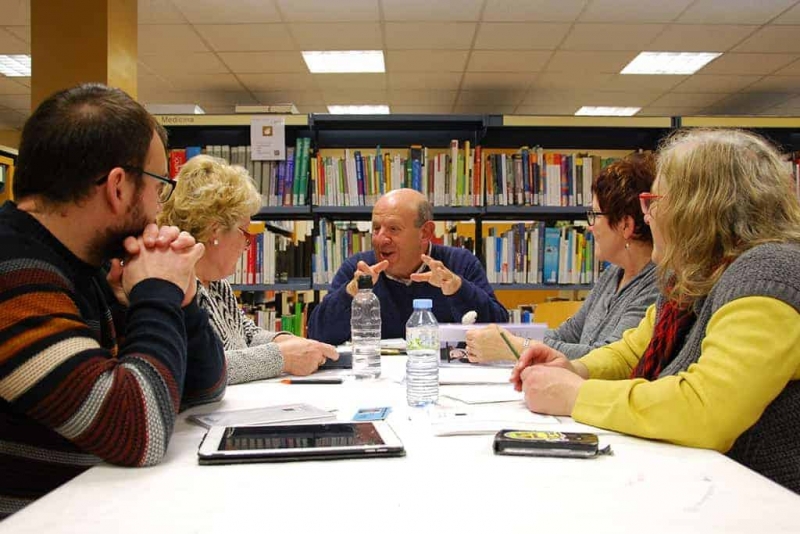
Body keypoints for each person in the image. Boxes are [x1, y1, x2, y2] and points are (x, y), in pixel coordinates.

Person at [511, 129, 800, 493]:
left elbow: (706, 409)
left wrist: (576, 395)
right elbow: (634, 351)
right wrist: (574, 368)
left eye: (653, 201)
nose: (646, 217)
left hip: (767, 501)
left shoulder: (769, 275)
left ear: (697, 207)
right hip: (711, 487)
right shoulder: (694, 276)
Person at [0, 83, 227, 519]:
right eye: (160, 186)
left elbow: (204, 388)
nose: (161, 209)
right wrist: (156, 291)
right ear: (119, 187)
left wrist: (183, 301)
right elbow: (138, 430)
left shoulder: (86, 266)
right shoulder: (13, 269)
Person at [158, 155, 338, 383]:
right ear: (215, 231)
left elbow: (246, 333)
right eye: (244, 232)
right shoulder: (174, 286)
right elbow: (199, 368)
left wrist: (285, 340)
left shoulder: (216, 283)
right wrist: (281, 357)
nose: (247, 245)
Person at [465, 154, 659, 362]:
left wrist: (516, 347)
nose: (590, 226)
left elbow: (605, 360)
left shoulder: (656, 288)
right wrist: (511, 339)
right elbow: (569, 333)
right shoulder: (613, 273)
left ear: (625, 225)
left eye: (594, 215)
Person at [308, 188, 508, 345]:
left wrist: (458, 289)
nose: (380, 239)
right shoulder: (359, 268)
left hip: (439, 379)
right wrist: (350, 293)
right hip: (377, 380)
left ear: (425, 232)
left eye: (393, 229)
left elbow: (501, 331)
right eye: (376, 228)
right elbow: (318, 334)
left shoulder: (459, 264)